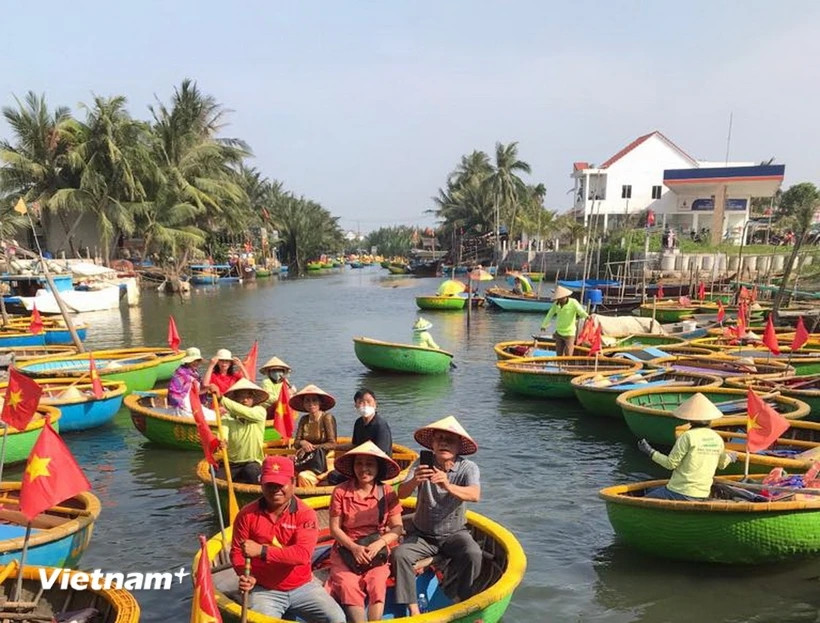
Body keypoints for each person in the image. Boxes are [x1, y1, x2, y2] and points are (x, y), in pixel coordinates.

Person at [231, 455, 346, 623]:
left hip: (304, 586)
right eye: (270, 484)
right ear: (261, 484)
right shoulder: (246, 514)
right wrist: (245, 575)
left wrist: (262, 551)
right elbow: (236, 552)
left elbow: (301, 555)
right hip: (264, 589)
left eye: (281, 484)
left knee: (337, 619)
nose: (275, 489)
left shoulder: (305, 514)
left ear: (293, 483)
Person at [393, 416, 482, 616]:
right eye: (439, 439)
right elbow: (401, 494)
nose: (443, 443)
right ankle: (413, 609)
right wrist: (415, 481)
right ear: (432, 444)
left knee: (473, 553)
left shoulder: (468, 468)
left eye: (449, 440)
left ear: (458, 446)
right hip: (423, 534)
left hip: (454, 533)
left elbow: (475, 495)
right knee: (400, 555)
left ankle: (463, 597)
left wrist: (447, 485)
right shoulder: (421, 464)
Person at [327, 442, 404, 623]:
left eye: (369, 464)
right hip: (346, 548)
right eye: (359, 464)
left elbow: (397, 527)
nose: (364, 469)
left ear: (378, 468)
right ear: (353, 467)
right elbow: (335, 528)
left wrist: (379, 544)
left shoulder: (386, 492)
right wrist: (354, 548)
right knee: (347, 584)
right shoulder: (340, 491)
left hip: (376, 547)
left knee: (377, 581)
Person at [638, 392, 737, 501]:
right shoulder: (717, 438)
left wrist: (650, 451)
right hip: (703, 493)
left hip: (679, 491)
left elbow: (670, 464)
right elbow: (722, 464)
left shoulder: (687, 436)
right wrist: (731, 457)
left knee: (644, 499)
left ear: (690, 420)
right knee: (653, 490)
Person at [217, 379, 269, 484]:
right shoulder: (227, 417)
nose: (245, 400)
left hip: (252, 461)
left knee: (252, 472)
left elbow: (244, 411)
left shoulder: (259, 412)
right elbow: (223, 432)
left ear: (253, 399)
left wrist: (221, 399)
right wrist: (222, 440)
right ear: (235, 399)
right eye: (241, 397)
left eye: (248, 397)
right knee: (217, 479)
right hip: (232, 463)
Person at [291, 384, 338, 487]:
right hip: (306, 460)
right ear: (303, 404)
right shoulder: (304, 419)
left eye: (314, 400)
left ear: (320, 402)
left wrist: (312, 448)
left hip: (323, 462)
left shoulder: (327, 418)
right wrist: (303, 442)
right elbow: (296, 443)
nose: (311, 404)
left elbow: (333, 444)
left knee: (304, 476)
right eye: (307, 401)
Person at [539, 285, 588, 356]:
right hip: (559, 332)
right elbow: (549, 315)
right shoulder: (556, 305)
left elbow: (581, 312)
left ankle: (566, 367)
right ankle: (559, 366)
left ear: (565, 297)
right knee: (559, 354)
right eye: (557, 299)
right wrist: (544, 325)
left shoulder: (573, 302)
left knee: (568, 354)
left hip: (569, 333)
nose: (559, 300)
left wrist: (587, 317)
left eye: (560, 298)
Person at [351, 388, 392, 457]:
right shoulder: (358, 422)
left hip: (379, 461)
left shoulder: (380, 425)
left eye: (369, 402)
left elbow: (382, 452)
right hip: (362, 459)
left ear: (375, 404)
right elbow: (355, 445)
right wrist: (335, 446)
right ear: (356, 406)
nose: (365, 405)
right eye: (361, 402)